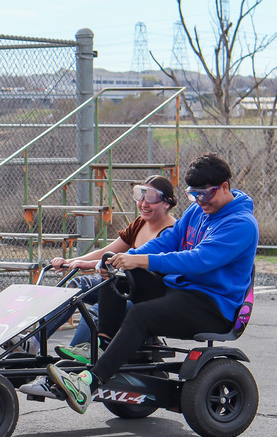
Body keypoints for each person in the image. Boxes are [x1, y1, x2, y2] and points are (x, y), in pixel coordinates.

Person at [46, 153, 259, 414]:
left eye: (206, 194)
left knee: (141, 314)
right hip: (183, 291)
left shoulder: (241, 224)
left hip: (213, 305)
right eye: (195, 195)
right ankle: (101, 346)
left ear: (224, 187)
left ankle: (88, 384)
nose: (200, 201)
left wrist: (142, 260)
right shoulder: (196, 212)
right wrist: (124, 259)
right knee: (116, 278)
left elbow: (198, 260)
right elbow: (167, 242)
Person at [16, 176, 175, 396]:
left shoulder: (170, 232)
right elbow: (108, 251)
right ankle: (34, 341)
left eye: (152, 198)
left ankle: (57, 378)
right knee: (76, 285)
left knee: (94, 312)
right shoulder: (140, 223)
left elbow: (125, 259)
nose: (144, 203)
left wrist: (90, 264)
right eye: (140, 195)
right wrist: (73, 262)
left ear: (167, 202)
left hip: (144, 297)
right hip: (119, 285)